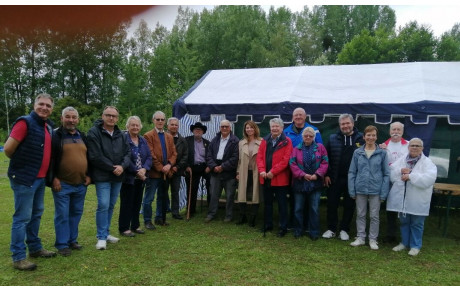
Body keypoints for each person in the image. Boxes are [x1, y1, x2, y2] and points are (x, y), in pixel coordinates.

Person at [4, 93, 57, 270]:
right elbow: (9, 149)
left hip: (40, 179)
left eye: (48, 105)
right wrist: (22, 167)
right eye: (41, 104)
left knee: (36, 214)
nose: (44, 108)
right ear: (34, 105)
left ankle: (34, 247)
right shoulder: (24, 122)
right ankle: (18, 257)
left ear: (52, 109)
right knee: (22, 217)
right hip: (25, 178)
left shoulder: (48, 126)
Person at [87, 106, 130, 250]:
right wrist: (113, 168)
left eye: (114, 116)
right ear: (103, 116)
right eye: (108, 115)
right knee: (103, 205)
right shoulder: (94, 132)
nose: (111, 118)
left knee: (111, 205)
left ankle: (105, 233)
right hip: (103, 175)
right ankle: (100, 237)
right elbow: (95, 156)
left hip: (118, 175)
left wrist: (122, 167)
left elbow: (128, 153)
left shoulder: (121, 134)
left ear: (117, 118)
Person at [49, 107, 90, 256]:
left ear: (77, 120)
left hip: (80, 184)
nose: (71, 120)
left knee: (76, 213)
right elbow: (50, 159)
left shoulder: (82, 136)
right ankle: (62, 244)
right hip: (62, 184)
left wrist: (89, 174)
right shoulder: (55, 136)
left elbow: (88, 156)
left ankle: (72, 240)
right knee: (62, 215)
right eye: (68, 117)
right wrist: (53, 177)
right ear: (62, 118)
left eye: (74, 117)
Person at [387, 138, 437, 256]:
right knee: (404, 221)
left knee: (417, 223)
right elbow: (391, 173)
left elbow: (429, 179)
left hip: (418, 198)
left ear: (422, 148)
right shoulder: (402, 159)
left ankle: (415, 246)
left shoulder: (428, 163)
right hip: (403, 198)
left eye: (417, 146)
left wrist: (411, 176)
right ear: (408, 147)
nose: (414, 147)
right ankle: (404, 243)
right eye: (412, 145)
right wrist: (400, 170)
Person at [322, 113, 364, 241]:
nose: (345, 126)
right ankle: (331, 229)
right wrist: (327, 174)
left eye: (347, 123)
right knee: (332, 204)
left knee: (349, 204)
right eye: (342, 124)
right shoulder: (333, 138)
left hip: (353, 179)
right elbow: (325, 158)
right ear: (339, 125)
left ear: (352, 124)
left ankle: (345, 229)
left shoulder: (361, 138)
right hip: (334, 178)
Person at [348, 125, 390, 250]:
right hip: (360, 188)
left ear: (376, 137)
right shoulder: (358, 152)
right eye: (368, 135)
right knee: (360, 214)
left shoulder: (382, 153)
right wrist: (352, 190)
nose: (371, 137)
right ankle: (360, 237)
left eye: (373, 135)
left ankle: (373, 239)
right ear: (364, 137)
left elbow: (386, 174)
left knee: (374, 216)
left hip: (376, 189)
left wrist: (383, 193)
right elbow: (352, 172)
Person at [284, 107, 323, 230]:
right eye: (296, 115)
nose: (298, 117)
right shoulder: (286, 132)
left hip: (312, 173)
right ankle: (295, 224)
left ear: (305, 116)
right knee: (295, 200)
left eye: (301, 115)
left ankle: (307, 224)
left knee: (310, 202)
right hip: (294, 172)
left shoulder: (315, 131)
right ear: (292, 117)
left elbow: (321, 151)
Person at [289, 127, 328, 240]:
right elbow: (292, 163)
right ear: (302, 137)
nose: (308, 137)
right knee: (298, 208)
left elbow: (325, 162)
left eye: (310, 136)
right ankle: (298, 230)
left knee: (314, 209)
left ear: (313, 137)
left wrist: (317, 174)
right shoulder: (296, 149)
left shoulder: (320, 148)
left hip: (315, 182)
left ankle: (314, 232)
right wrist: (302, 175)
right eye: (306, 135)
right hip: (300, 182)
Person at [257, 118, 292, 237]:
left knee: (282, 205)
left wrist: (273, 172)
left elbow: (285, 160)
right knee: (268, 204)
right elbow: (260, 157)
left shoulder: (287, 141)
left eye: (277, 126)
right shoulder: (264, 140)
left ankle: (283, 227)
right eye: (273, 126)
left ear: (282, 128)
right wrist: (262, 171)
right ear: (270, 128)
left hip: (280, 179)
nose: (275, 128)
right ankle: (268, 224)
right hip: (266, 177)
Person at [118, 116, 152, 237]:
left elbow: (149, 156)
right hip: (128, 177)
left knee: (137, 202)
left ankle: (135, 225)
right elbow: (124, 157)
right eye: (133, 125)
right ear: (128, 126)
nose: (135, 127)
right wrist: (136, 171)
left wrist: (144, 169)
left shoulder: (142, 140)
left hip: (141, 177)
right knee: (127, 202)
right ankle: (124, 227)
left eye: (137, 125)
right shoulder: (123, 139)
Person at [143, 111, 177, 227]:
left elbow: (174, 153)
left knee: (162, 197)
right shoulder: (148, 135)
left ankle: (160, 218)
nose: (160, 121)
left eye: (162, 119)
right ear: (153, 120)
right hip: (154, 173)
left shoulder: (169, 136)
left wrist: (169, 165)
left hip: (166, 173)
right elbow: (150, 154)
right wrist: (161, 168)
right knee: (149, 198)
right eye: (158, 119)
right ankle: (147, 220)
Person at [379, 121, 409, 243]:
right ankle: (391, 234)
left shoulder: (408, 145)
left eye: (398, 130)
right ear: (389, 131)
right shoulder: (383, 145)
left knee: (403, 208)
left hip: (403, 180)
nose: (396, 132)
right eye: (393, 130)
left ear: (402, 132)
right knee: (390, 208)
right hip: (389, 181)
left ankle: (404, 235)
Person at [205, 119, 239, 223]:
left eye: (226, 126)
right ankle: (211, 214)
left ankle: (228, 215)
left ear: (230, 128)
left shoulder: (235, 141)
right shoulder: (214, 140)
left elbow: (235, 157)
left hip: (229, 172)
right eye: (222, 126)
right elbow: (208, 155)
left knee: (230, 196)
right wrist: (214, 166)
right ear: (220, 128)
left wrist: (222, 167)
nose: (224, 128)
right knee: (214, 194)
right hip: (215, 171)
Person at [235, 120, 262, 227]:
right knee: (242, 193)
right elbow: (239, 159)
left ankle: (253, 218)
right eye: (247, 128)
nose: (249, 129)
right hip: (243, 171)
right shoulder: (241, 142)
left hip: (256, 171)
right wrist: (237, 171)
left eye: (251, 127)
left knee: (256, 194)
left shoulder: (261, 142)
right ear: (245, 130)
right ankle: (242, 216)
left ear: (255, 129)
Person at [185, 122, 211, 218]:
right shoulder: (187, 141)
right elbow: (183, 155)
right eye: (196, 129)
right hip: (192, 167)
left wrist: (209, 166)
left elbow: (210, 156)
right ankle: (190, 210)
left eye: (200, 129)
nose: (198, 131)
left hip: (205, 167)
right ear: (193, 131)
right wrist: (186, 166)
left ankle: (210, 209)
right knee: (192, 189)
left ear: (203, 132)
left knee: (211, 185)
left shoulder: (207, 143)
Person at [166, 117, 188, 220]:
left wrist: (177, 167)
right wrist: (167, 167)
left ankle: (175, 212)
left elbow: (185, 156)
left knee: (175, 191)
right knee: (163, 191)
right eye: (172, 124)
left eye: (176, 125)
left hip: (177, 170)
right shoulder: (163, 137)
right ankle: (163, 210)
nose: (174, 126)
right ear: (168, 126)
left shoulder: (182, 140)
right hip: (164, 170)